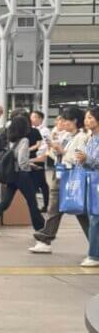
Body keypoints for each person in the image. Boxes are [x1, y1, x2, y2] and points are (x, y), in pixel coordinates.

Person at [29, 105, 89, 254]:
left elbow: (78, 158)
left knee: (77, 210)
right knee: (58, 208)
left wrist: (62, 151)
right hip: (60, 173)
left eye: (65, 120)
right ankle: (45, 238)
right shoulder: (66, 136)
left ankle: (94, 242)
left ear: (75, 121)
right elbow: (58, 155)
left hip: (71, 176)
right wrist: (55, 149)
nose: (62, 123)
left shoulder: (81, 137)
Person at [0, 115, 45, 236]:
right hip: (22, 175)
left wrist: (29, 164)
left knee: (5, 201)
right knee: (32, 202)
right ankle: (40, 228)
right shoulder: (24, 140)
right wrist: (30, 166)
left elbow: (15, 158)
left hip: (12, 175)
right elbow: (22, 162)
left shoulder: (11, 140)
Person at [75, 105, 99, 267]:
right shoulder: (90, 138)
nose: (86, 120)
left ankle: (94, 255)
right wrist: (82, 161)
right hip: (92, 182)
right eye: (86, 117)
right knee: (93, 217)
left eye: (90, 117)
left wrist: (87, 159)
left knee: (95, 218)